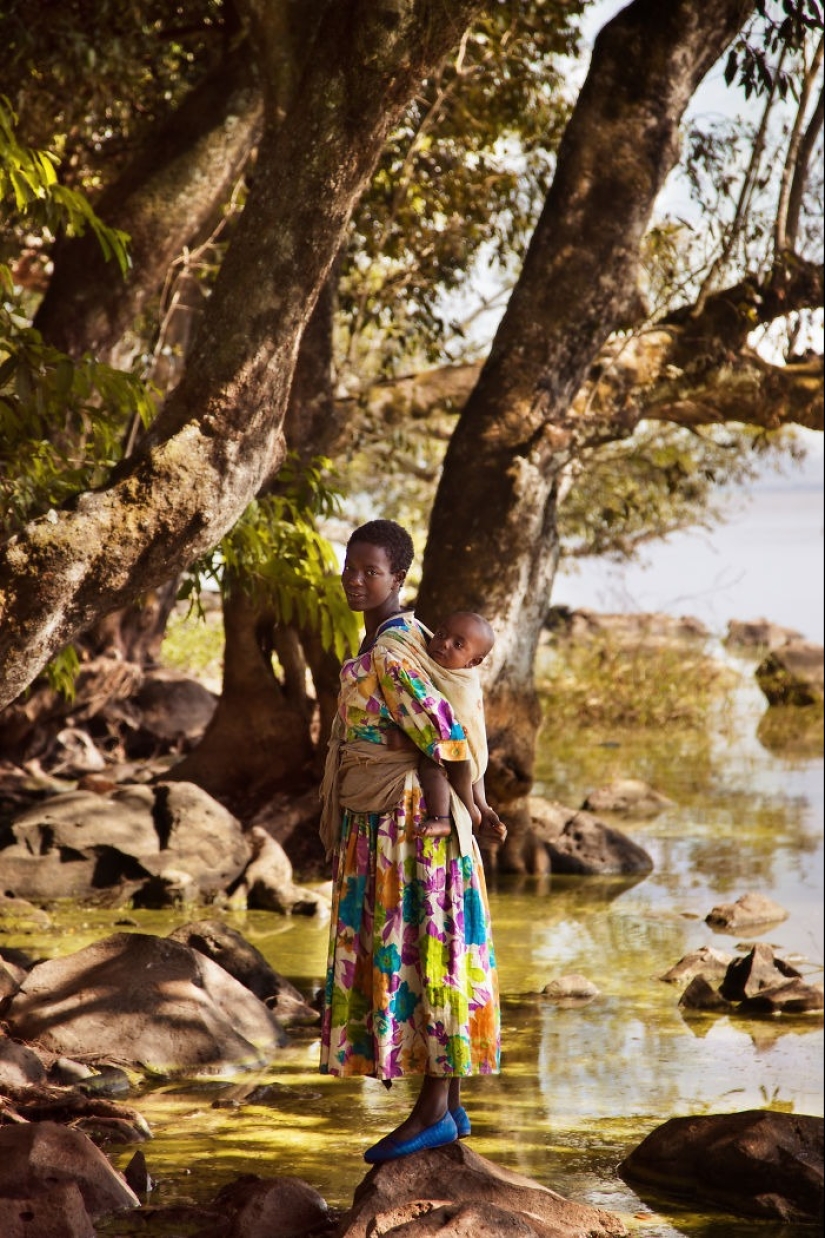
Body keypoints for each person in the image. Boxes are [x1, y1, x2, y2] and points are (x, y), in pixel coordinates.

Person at [318, 519, 504, 1163]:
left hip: (410, 826)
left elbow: (448, 731)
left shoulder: (397, 650)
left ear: (399, 579)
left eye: (371, 571)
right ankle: (446, 1107)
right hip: (391, 818)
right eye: (351, 567)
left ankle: (433, 1111)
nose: (356, 579)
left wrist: (453, 788)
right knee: (430, 949)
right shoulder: (393, 641)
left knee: (431, 952)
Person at [412, 610, 506, 843]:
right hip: (474, 756)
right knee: (470, 761)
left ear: (473, 662)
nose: (443, 643)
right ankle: (482, 806)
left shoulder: (456, 677)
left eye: (458, 644)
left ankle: (443, 817)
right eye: (441, 634)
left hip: (459, 753)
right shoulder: (456, 670)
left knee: (431, 766)